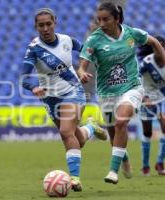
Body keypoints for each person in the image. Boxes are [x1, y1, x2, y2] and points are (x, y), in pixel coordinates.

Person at [77, 2, 165, 184]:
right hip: (107, 93)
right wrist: (83, 73)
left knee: (122, 121)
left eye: (106, 19)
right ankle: (124, 159)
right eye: (98, 19)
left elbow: (154, 42)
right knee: (114, 134)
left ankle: (112, 171)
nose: (101, 23)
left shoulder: (131, 33)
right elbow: (82, 65)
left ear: (117, 19)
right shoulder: (94, 40)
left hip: (132, 87)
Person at [20, 8, 107, 192]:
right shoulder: (34, 49)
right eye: (41, 25)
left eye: (48, 24)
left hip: (73, 91)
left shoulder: (68, 40)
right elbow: (24, 78)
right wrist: (33, 87)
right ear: (36, 27)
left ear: (55, 23)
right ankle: (91, 127)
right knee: (78, 139)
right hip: (51, 100)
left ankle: (74, 178)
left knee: (65, 131)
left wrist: (83, 70)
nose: (45, 28)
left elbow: (86, 52)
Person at [139, 35, 165, 176]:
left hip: (163, 98)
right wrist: (144, 98)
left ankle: (160, 162)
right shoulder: (146, 62)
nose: (160, 47)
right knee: (147, 133)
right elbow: (137, 80)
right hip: (147, 99)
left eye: (163, 45)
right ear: (153, 48)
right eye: (158, 45)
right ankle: (145, 165)